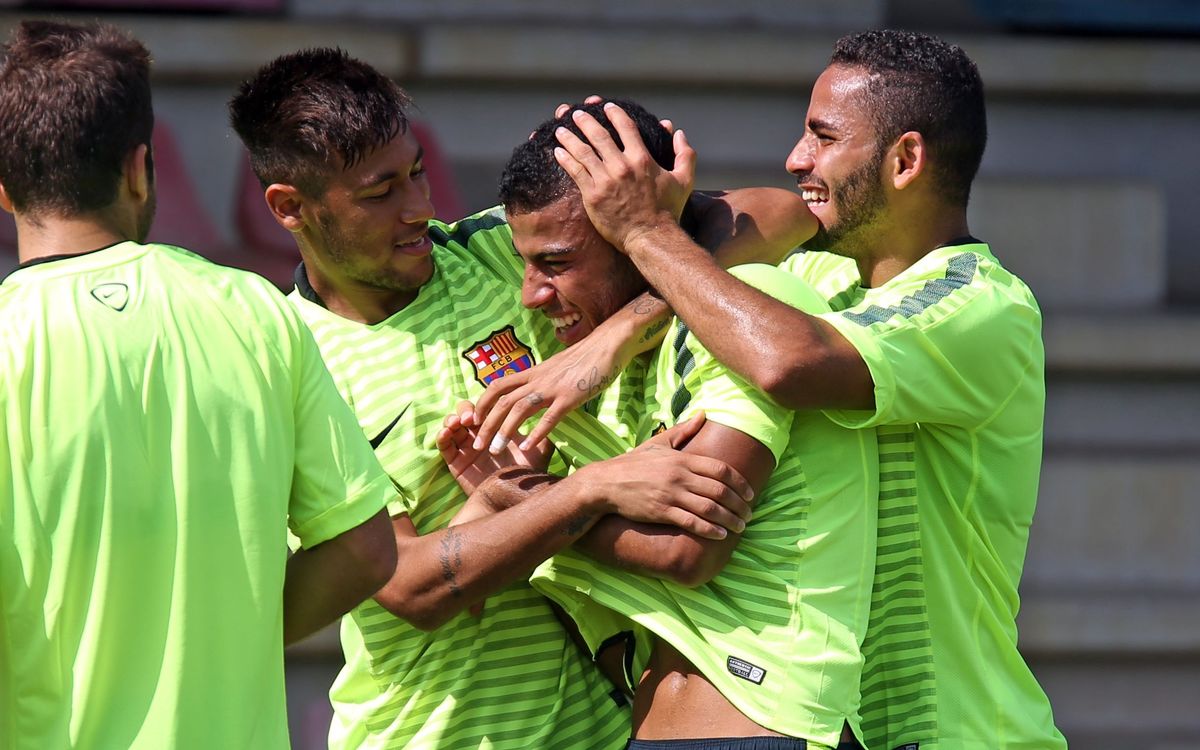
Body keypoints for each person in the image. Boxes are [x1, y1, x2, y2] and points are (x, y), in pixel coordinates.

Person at [228, 49, 791, 750]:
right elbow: (409, 586)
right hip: (433, 735)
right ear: (289, 208)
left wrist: (613, 336)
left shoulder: (495, 250)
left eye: (417, 173)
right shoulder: (285, 360)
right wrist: (587, 489)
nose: (419, 208)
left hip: (603, 730)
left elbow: (777, 214)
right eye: (380, 194)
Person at [534, 28, 1067, 750]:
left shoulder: (981, 305)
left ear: (905, 160)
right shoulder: (817, 272)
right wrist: (621, 324)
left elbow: (789, 362)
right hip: (828, 726)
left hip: (961, 733)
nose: (796, 158)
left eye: (823, 136)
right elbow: (754, 212)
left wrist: (645, 233)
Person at [0, 21, 399, 749]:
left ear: (4, 189)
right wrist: (234, 634)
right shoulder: (255, 310)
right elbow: (366, 550)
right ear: (139, 168)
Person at [478, 100, 876, 750]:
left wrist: (522, 501)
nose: (530, 294)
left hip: (766, 729)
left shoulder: (752, 312)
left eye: (556, 263)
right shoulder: (609, 346)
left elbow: (687, 549)